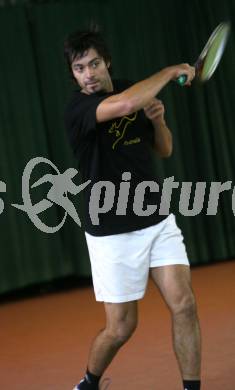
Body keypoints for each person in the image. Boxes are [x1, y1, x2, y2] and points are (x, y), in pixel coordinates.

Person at [64, 27, 201, 390]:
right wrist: (172, 71)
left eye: (94, 63)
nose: (88, 73)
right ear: (73, 74)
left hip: (156, 220)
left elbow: (165, 149)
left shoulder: (132, 91)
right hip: (111, 232)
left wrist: (158, 122)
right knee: (121, 327)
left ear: (106, 61)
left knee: (184, 304)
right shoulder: (79, 109)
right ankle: (89, 382)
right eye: (79, 68)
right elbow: (125, 105)